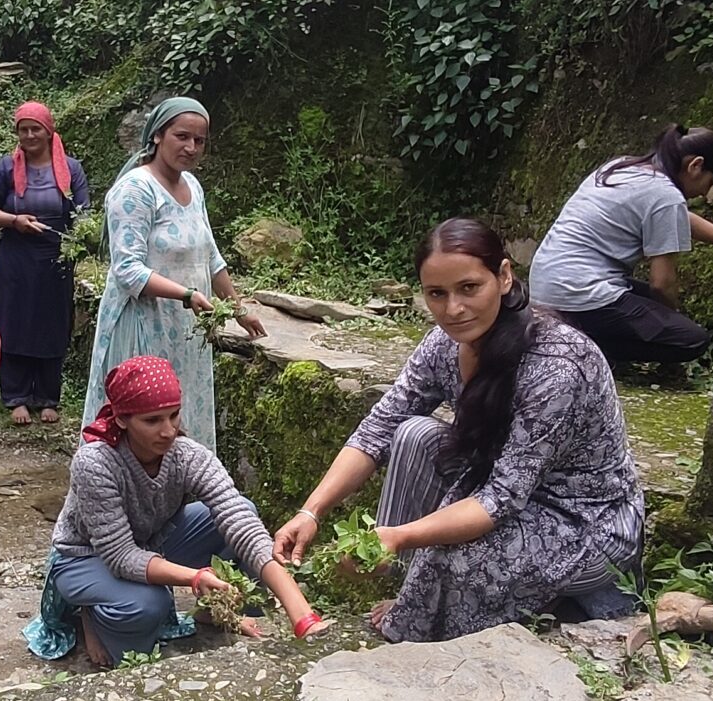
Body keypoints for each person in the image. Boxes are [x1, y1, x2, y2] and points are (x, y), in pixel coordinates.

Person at [272, 219, 643, 643]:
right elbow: (380, 426)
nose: (453, 309)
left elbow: (502, 497)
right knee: (412, 434)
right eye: (437, 294)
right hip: (501, 487)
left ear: (503, 277)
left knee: (454, 560)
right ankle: (420, 588)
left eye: (469, 288)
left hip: (583, 519)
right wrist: (311, 511)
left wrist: (400, 536)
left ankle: (443, 603)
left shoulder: (556, 367)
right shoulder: (443, 344)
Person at [24, 356, 330, 666]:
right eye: (152, 420)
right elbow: (120, 556)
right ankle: (91, 613)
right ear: (121, 419)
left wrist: (303, 616)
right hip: (86, 557)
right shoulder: (95, 463)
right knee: (147, 604)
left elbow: (241, 522)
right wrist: (194, 578)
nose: (169, 431)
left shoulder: (186, 456)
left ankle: (217, 612)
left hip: (150, 540)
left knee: (243, 512)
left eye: (174, 416)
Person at [81, 97, 263, 453]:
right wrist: (185, 294)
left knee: (181, 415)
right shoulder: (136, 191)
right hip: (144, 325)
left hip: (185, 332)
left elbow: (210, 256)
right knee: (142, 418)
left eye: (200, 140)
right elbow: (128, 270)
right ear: (157, 137)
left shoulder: (193, 188)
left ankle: (182, 495)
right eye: (182, 136)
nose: (191, 147)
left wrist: (239, 310)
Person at [528, 124, 713, 364]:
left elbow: (677, 218)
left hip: (546, 284)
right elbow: (662, 284)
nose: (705, 193)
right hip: (577, 294)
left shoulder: (621, 167)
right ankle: (582, 349)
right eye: (711, 182)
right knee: (691, 340)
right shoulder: (665, 195)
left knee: (645, 305)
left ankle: (570, 332)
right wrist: (670, 321)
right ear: (696, 165)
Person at [0, 101, 90, 426]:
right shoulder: (6, 168)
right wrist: (14, 220)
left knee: (52, 322)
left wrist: (83, 238)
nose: (29, 135)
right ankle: (15, 397)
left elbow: (83, 212)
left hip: (55, 256)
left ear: (48, 131)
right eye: (23, 129)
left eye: (35, 128)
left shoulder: (71, 169)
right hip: (17, 254)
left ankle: (47, 397)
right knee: (14, 321)